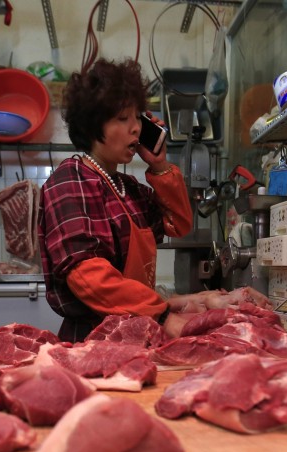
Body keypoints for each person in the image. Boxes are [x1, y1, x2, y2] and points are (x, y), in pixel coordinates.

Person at [37, 58, 194, 343]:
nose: (135, 128)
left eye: (137, 117)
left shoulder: (128, 188)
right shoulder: (70, 180)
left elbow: (177, 224)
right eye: (123, 119)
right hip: (94, 342)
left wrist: (160, 167)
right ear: (94, 125)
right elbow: (87, 275)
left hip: (136, 332)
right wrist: (161, 315)